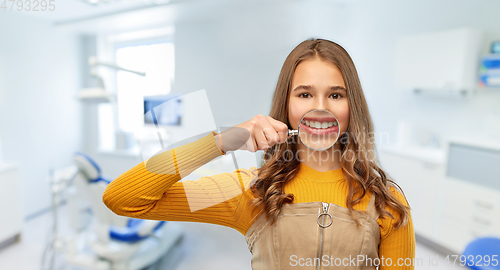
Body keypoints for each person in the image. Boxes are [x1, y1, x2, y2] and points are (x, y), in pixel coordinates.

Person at [103, 38, 415, 270]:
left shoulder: (387, 203)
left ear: (352, 108)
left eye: (335, 95)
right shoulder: (251, 192)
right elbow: (122, 198)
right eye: (304, 94)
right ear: (287, 108)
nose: (320, 108)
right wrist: (222, 141)